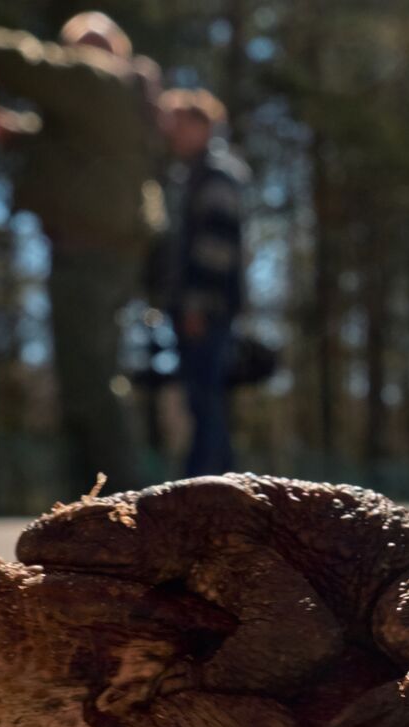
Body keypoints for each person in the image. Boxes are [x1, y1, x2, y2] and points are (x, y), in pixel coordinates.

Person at [0, 11, 163, 492]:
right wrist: (21, 135)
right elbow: (75, 143)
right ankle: (94, 496)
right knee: (89, 372)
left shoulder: (96, 78)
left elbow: (10, 57)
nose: (79, 57)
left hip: (88, 252)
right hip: (110, 249)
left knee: (88, 379)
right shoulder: (123, 97)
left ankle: (115, 498)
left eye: (86, 47)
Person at [157, 88, 249, 477]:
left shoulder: (216, 174)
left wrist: (196, 303)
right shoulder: (193, 175)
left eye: (177, 125)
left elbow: (218, 246)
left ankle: (208, 484)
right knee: (202, 399)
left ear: (200, 125)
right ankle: (217, 485)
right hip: (197, 304)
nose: (171, 134)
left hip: (206, 306)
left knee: (205, 399)